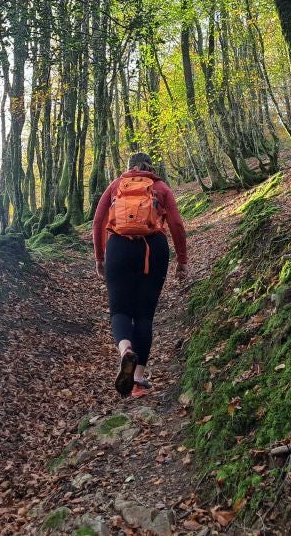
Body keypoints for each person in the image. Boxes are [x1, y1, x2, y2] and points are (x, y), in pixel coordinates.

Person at [92, 152, 189, 398]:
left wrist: (100, 257)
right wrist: (182, 260)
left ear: (128, 168)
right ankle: (137, 381)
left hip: (118, 248)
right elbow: (177, 224)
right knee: (144, 316)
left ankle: (125, 351)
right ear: (150, 167)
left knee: (120, 311)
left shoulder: (115, 186)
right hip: (153, 250)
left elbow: (98, 222)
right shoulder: (160, 187)